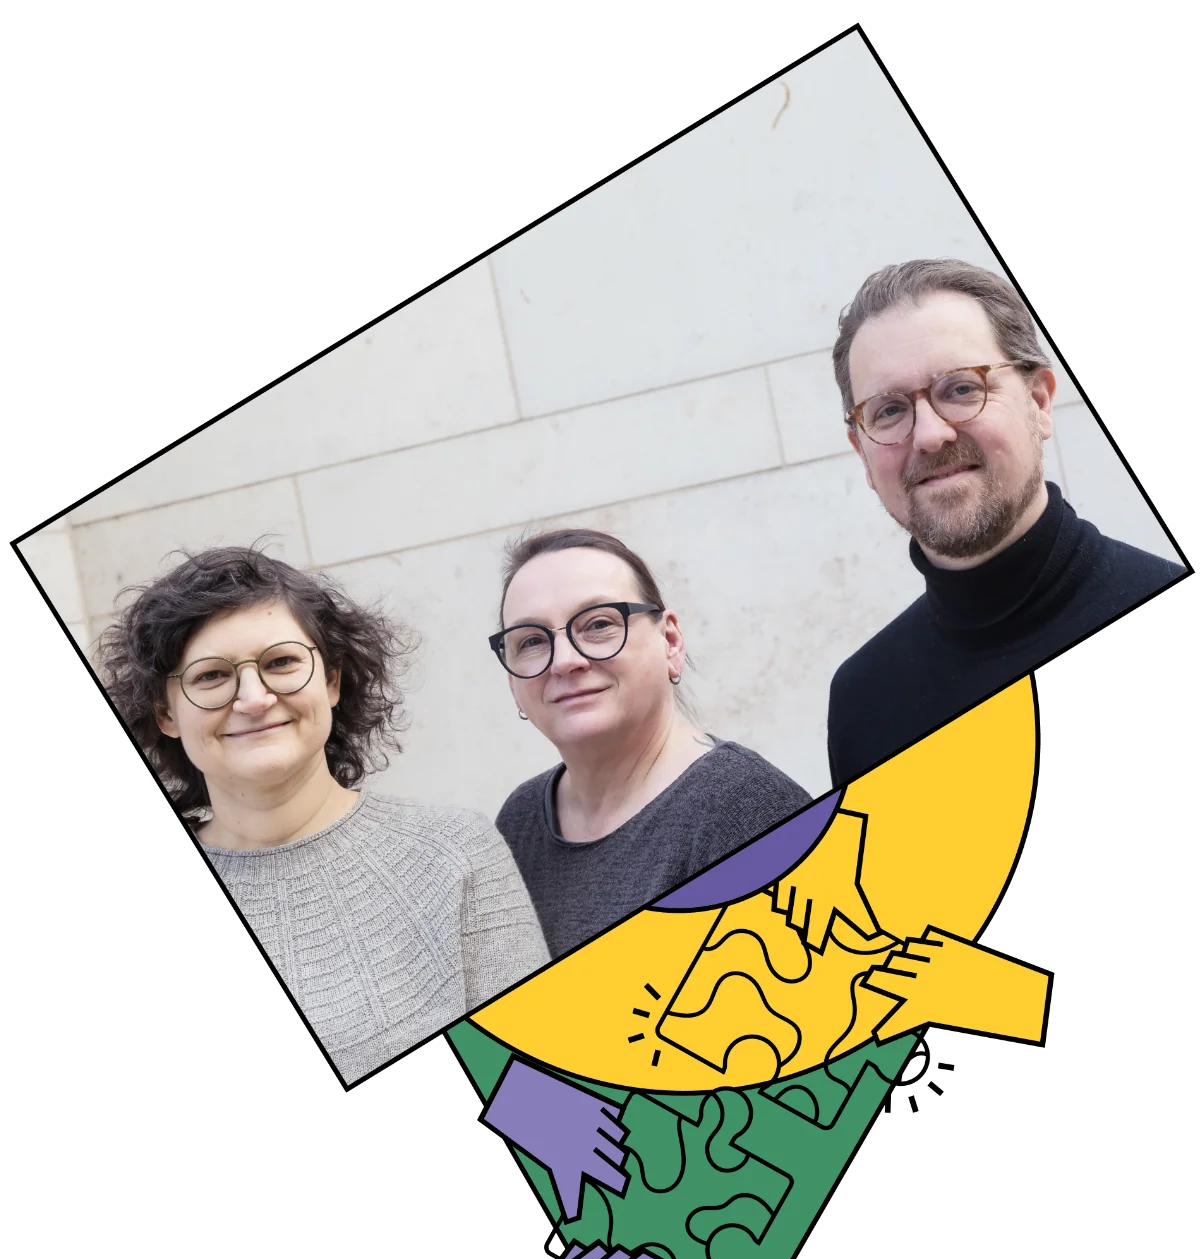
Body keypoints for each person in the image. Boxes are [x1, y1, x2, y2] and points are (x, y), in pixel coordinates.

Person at [97, 544, 549, 1083]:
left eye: (281, 663)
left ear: (331, 681)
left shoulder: (455, 851)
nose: (254, 697)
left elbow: (539, 1078)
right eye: (211, 676)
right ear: (166, 713)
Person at [826, 258, 1186, 786]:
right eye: (888, 410)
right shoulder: (863, 699)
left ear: (1039, 402)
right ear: (862, 451)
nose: (928, 435)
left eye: (961, 388)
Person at [489, 528, 813, 959]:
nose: (565, 661)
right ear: (513, 682)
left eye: (599, 624)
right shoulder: (520, 821)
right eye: (531, 641)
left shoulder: (748, 810)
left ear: (670, 641)